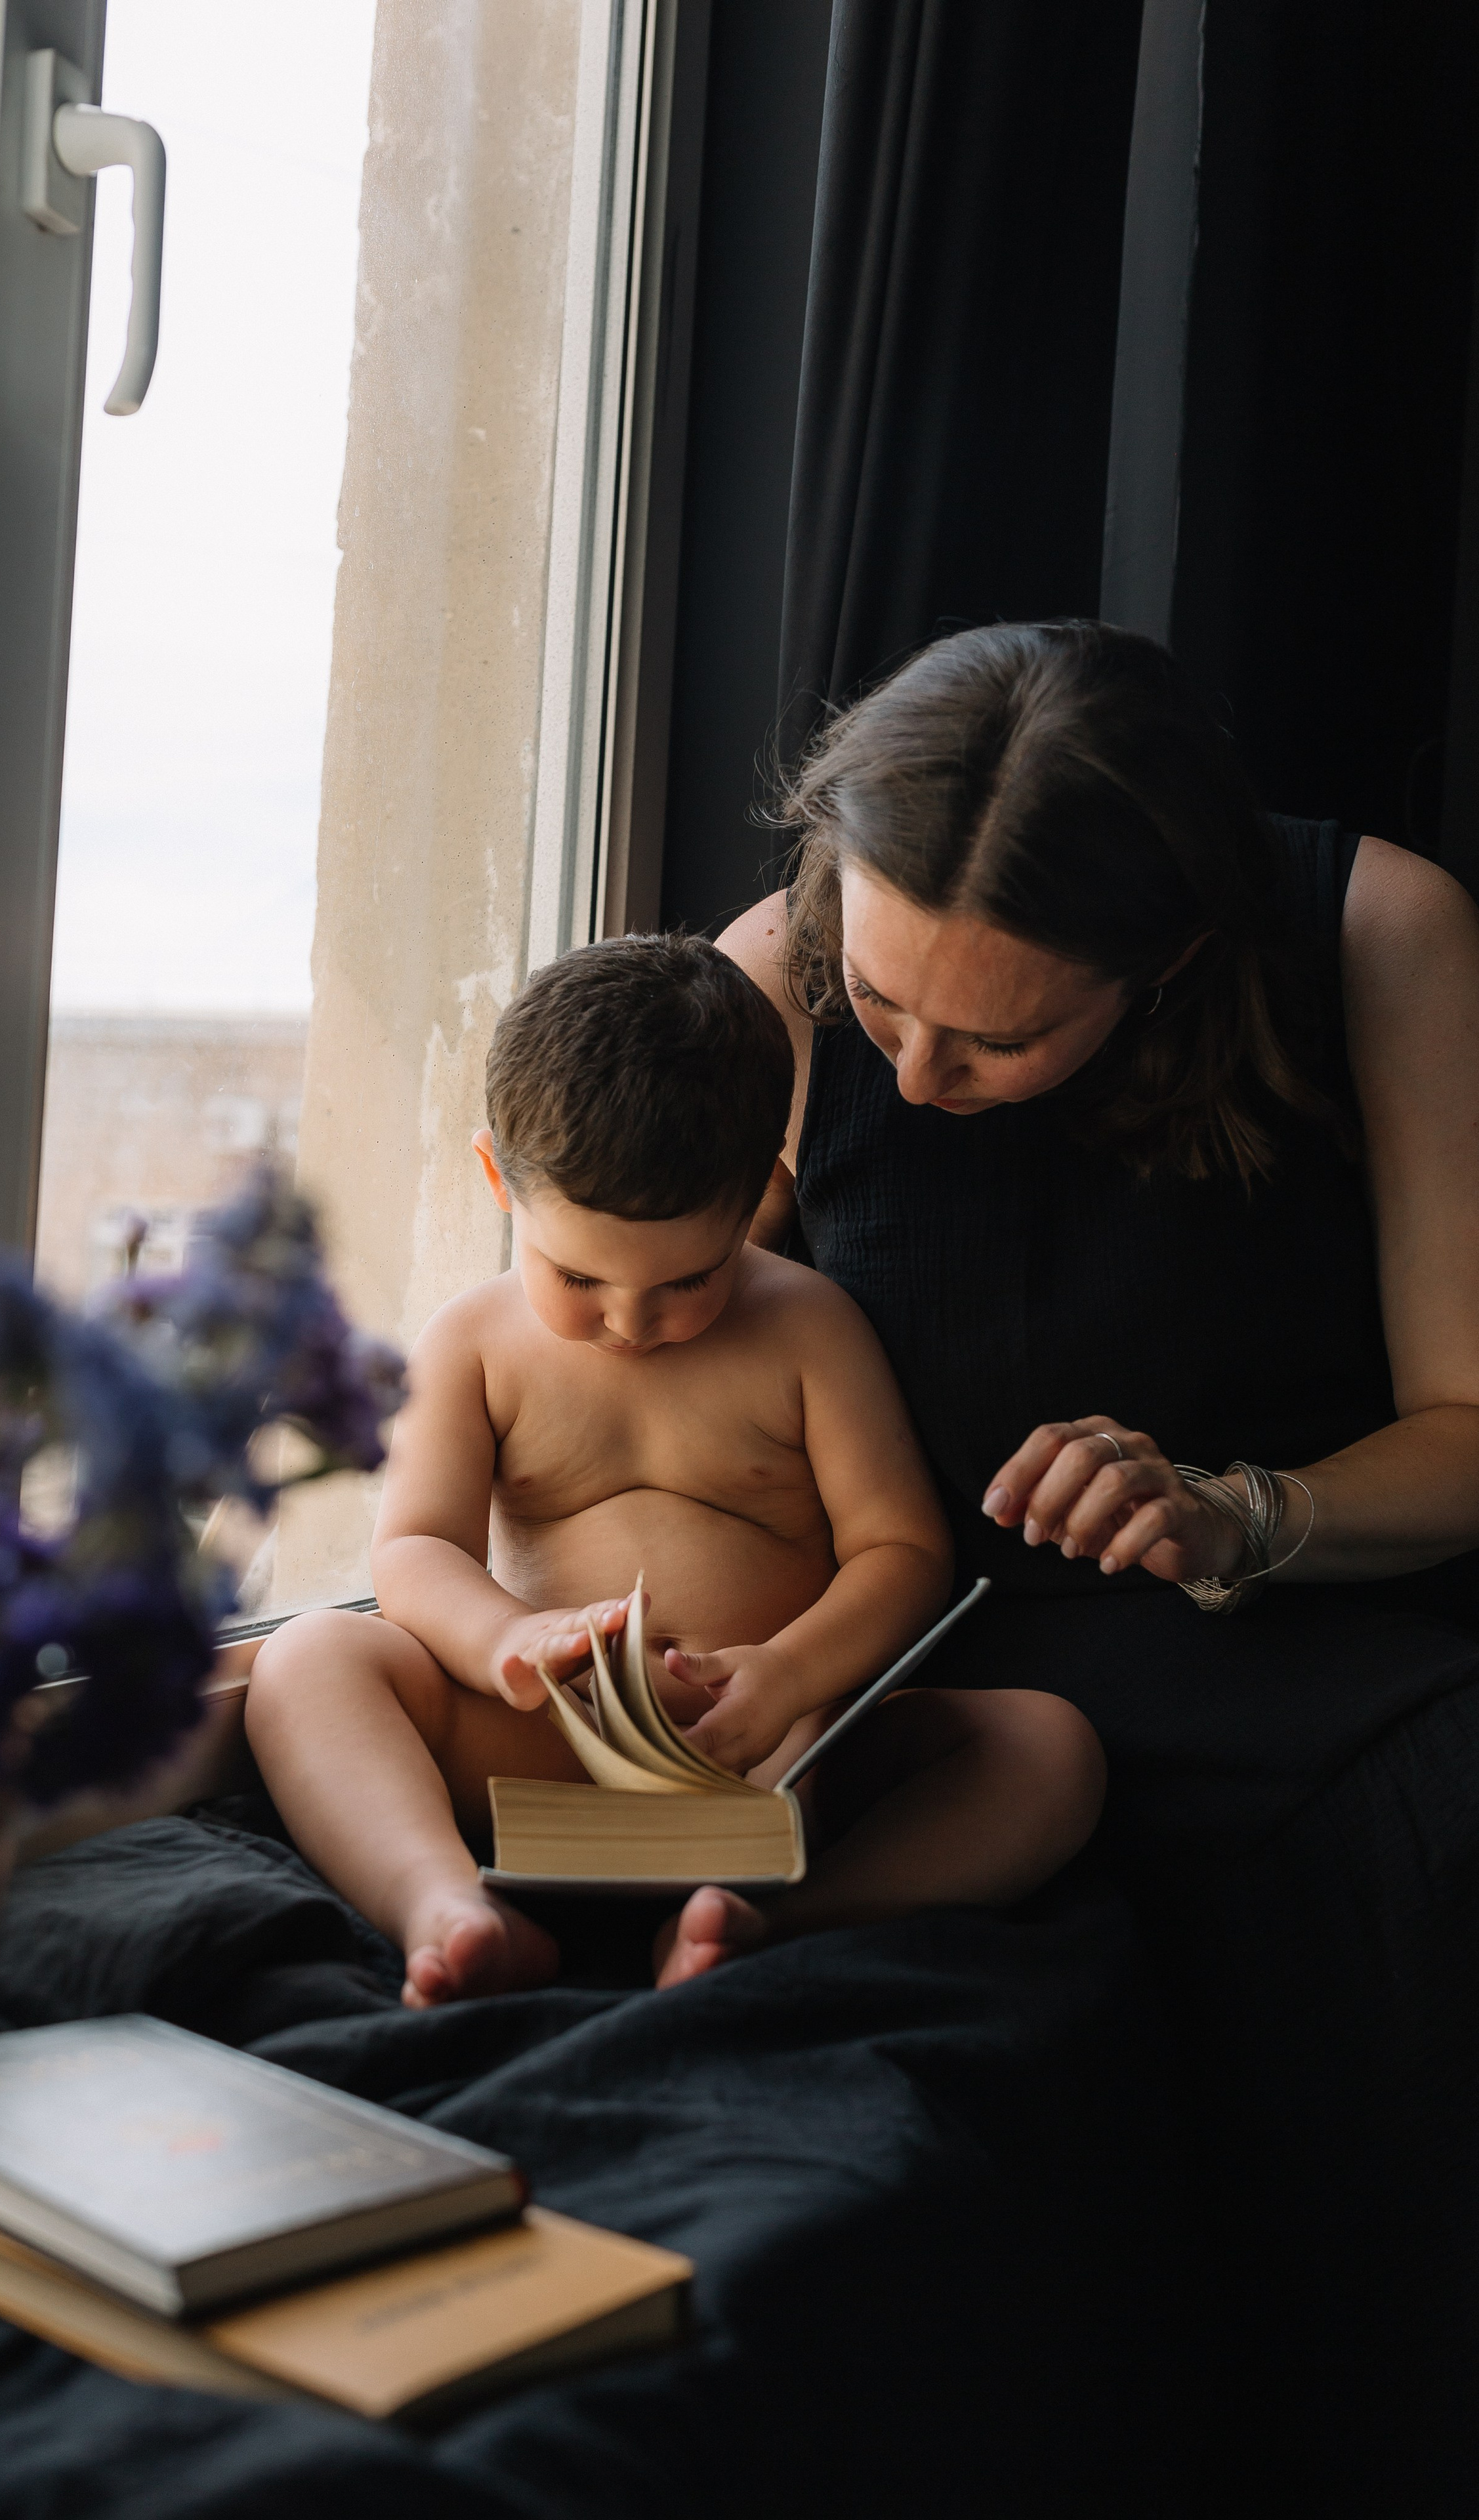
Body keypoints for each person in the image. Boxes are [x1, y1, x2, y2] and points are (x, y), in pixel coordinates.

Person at [717, 619, 1479, 2514]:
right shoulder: (772, 981)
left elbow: (1468, 1430)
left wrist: (1243, 1511)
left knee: (1442, 1839)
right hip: (927, 1649)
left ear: (1176, 963)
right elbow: (633, 1373)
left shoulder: (1376, 933)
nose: (923, 1066)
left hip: (1291, 1631)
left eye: (999, 1034)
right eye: (888, 1005)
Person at [245, 934, 1103, 2007]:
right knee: (309, 1657)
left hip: (768, 1761)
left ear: (758, 1198)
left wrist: (787, 1677)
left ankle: (770, 1922)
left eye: (690, 1278)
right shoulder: (470, 1343)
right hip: (533, 1741)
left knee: (1048, 1748)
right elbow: (416, 1549)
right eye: (578, 1275)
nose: (631, 1322)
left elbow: (904, 1550)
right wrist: (506, 1638)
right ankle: (446, 1907)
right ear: (497, 1180)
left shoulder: (809, 1333)